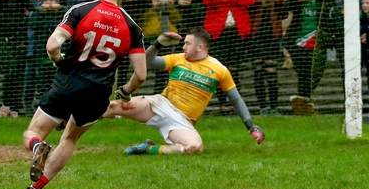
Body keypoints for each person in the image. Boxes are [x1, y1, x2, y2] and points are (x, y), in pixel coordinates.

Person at [21, 0, 146, 189]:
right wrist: (125, 92)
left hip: (67, 84)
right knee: (69, 139)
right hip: (97, 95)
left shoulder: (80, 10)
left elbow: (52, 46)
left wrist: (58, 61)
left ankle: (37, 148)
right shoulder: (132, 27)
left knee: (33, 132)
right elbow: (140, 75)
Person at [104, 28, 264, 156]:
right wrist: (157, 44)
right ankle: (85, 122)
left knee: (194, 147)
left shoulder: (219, 70)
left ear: (200, 47)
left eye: (187, 44)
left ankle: (148, 149)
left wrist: (251, 126)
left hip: (182, 120)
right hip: (160, 104)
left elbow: (236, 99)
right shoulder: (178, 58)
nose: (183, 47)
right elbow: (146, 62)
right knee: (113, 106)